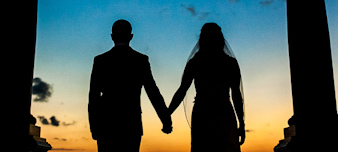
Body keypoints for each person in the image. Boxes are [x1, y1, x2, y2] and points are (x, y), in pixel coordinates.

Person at [88, 19, 172, 152]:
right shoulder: (141, 60)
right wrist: (166, 119)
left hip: (107, 125)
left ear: (112, 36)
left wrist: (94, 127)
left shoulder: (100, 61)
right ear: (131, 36)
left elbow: (93, 97)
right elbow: (153, 92)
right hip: (131, 124)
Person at [168, 23, 245, 152]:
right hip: (224, 113)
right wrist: (241, 123)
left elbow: (182, 90)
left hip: (202, 113)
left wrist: (167, 114)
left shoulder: (195, 62)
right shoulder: (230, 63)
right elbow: (236, 94)